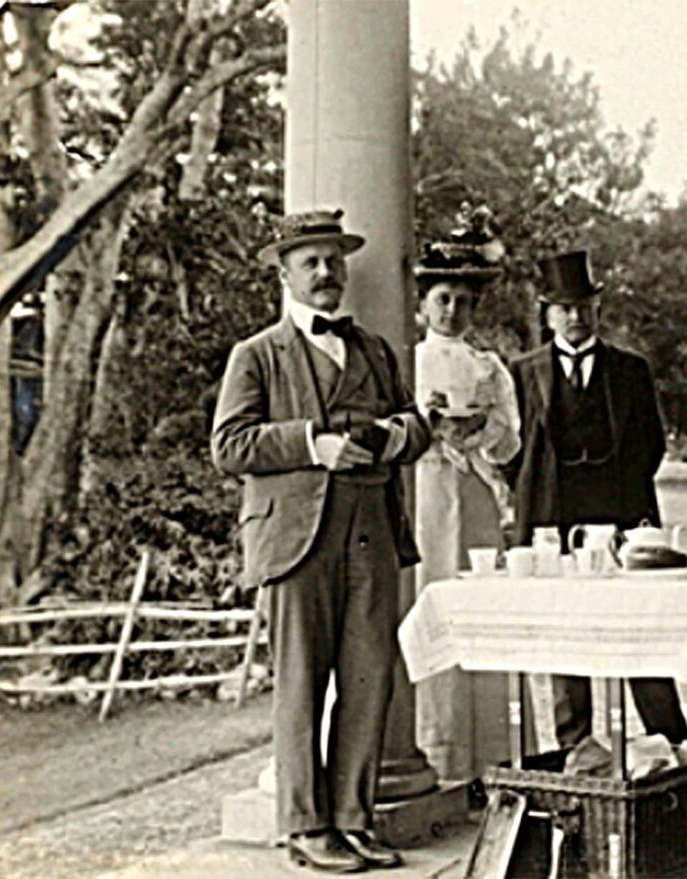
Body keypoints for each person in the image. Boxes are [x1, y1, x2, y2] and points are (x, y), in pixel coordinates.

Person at [212, 209, 430, 873]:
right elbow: (229, 445)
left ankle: (353, 821)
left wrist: (395, 437)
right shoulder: (258, 354)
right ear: (284, 274)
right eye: (310, 260)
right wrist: (313, 443)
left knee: (370, 681)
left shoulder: (373, 349)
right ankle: (306, 827)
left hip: (371, 535)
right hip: (294, 539)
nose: (326, 271)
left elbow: (416, 425)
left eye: (334, 259)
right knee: (302, 685)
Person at [505, 250, 687, 748]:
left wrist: (624, 502)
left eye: (584, 306)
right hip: (553, 518)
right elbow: (509, 448)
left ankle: (671, 745)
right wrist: (534, 494)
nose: (575, 316)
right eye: (564, 308)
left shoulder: (630, 369)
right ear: (548, 314)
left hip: (622, 516)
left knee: (639, 633)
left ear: (598, 308)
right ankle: (577, 752)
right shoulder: (523, 372)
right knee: (569, 638)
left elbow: (652, 442)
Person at [413, 210, 521, 781]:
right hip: (425, 492)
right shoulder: (409, 360)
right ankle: (435, 750)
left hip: (475, 493)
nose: (452, 310)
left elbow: (509, 443)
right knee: (430, 599)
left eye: (462, 301)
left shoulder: (489, 366)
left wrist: (483, 428)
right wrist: (426, 422)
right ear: (424, 305)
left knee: (477, 609)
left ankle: (484, 760)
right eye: (442, 299)